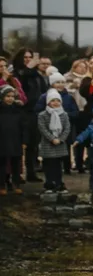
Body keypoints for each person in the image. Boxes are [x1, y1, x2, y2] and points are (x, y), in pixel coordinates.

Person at [13, 49, 48, 182]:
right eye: (25, 57)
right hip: (21, 112)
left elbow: (44, 90)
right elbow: (19, 83)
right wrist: (28, 68)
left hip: (36, 112)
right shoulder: (16, 73)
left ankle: (31, 172)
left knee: (33, 143)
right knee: (20, 144)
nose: (28, 59)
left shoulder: (36, 75)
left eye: (30, 57)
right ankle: (16, 174)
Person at [34, 88, 69, 192]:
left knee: (58, 165)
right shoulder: (42, 115)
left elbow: (67, 128)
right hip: (48, 144)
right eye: (53, 101)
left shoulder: (64, 114)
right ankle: (49, 183)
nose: (55, 103)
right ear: (48, 102)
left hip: (60, 143)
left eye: (58, 101)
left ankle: (59, 183)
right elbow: (42, 128)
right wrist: (52, 138)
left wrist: (61, 139)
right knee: (49, 165)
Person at [0, 85, 24, 194]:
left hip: (16, 140)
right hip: (2, 140)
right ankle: (2, 185)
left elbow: (23, 126)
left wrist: (24, 141)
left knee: (16, 164)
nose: (10, 98)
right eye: (7, 96)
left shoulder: (18, 110)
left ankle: (16, 184)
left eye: (12, 96)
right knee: (2, 164)